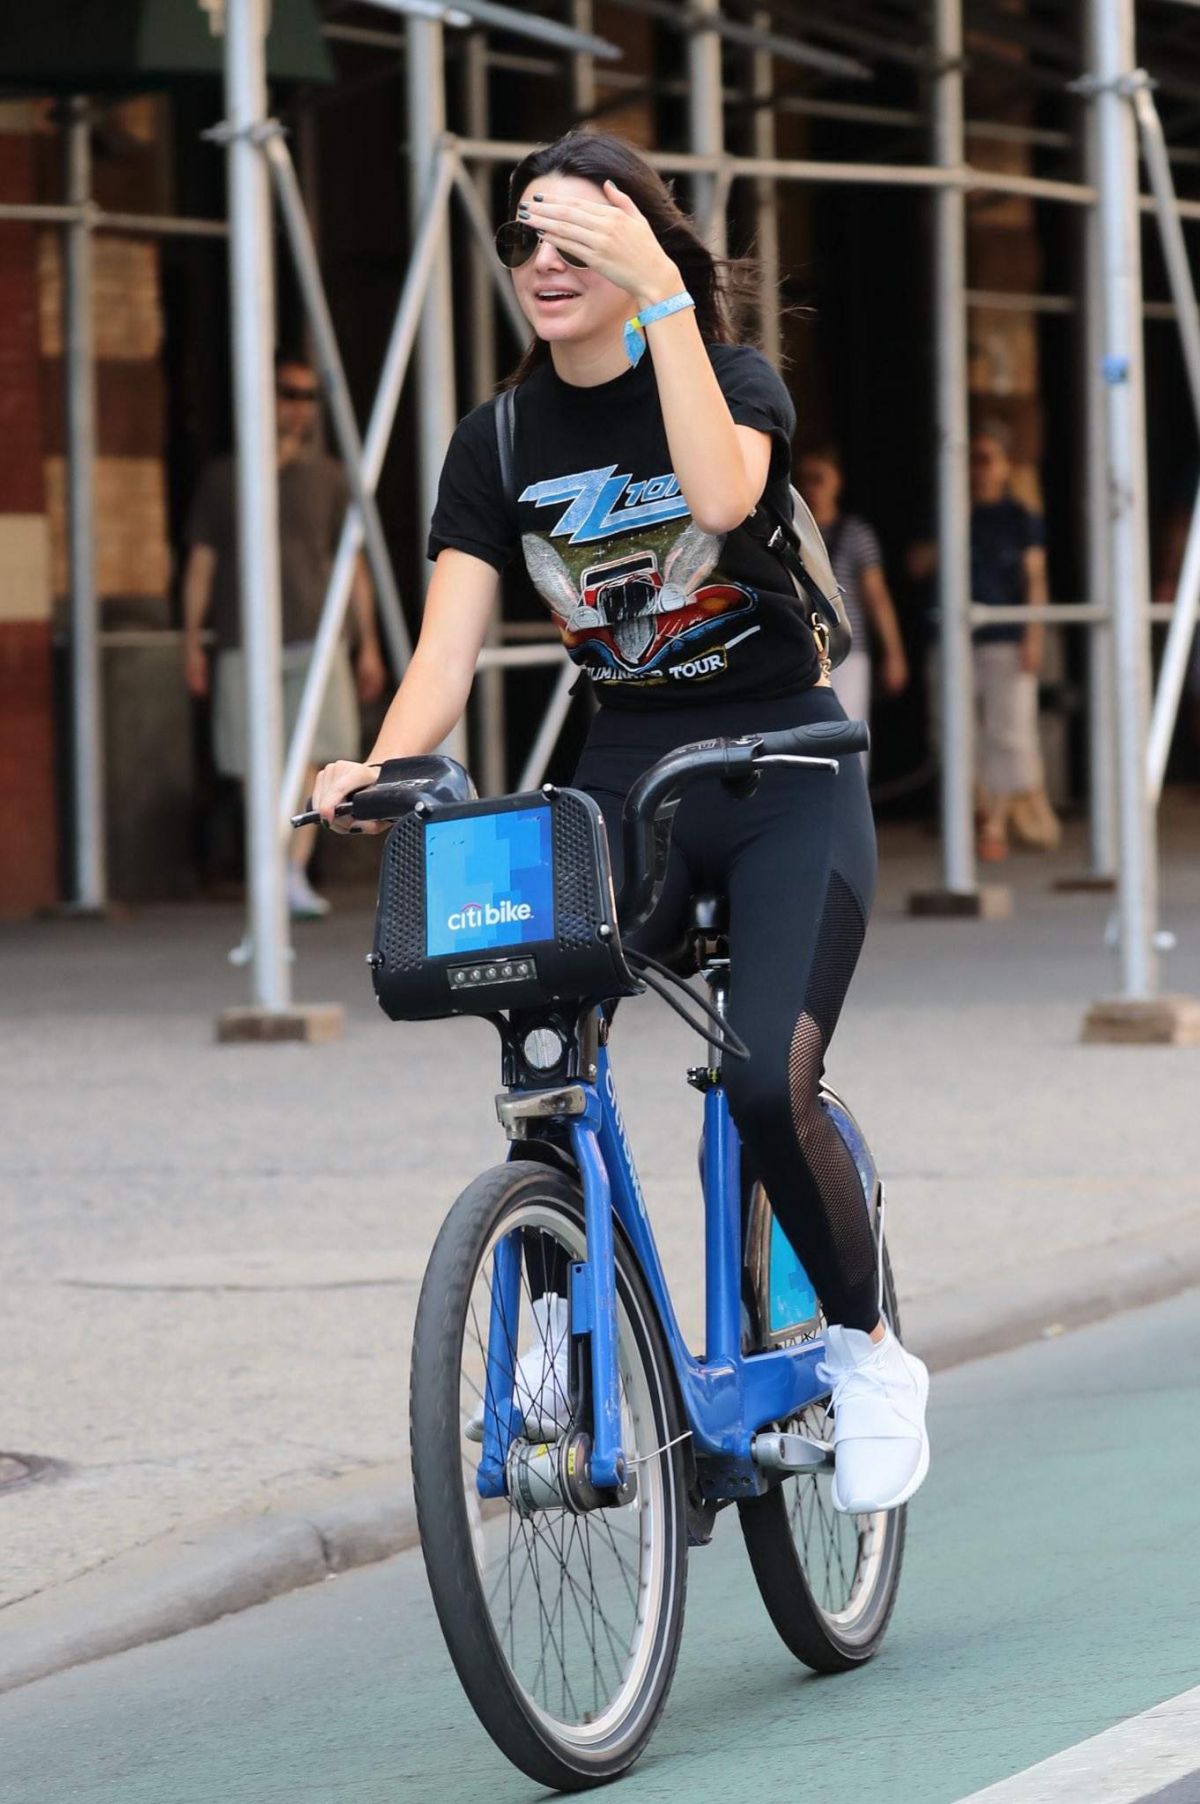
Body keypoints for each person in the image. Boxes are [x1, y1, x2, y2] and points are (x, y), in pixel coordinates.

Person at [313, 131, 929, 1515]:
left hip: (789, 769)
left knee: (771, 1079)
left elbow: (722, 499)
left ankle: (871, 1351)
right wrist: (375, 762)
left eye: (573, 238)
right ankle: (551, 1328)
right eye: (525, 240)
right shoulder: (503, 442)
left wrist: (662, 297)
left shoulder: (734, 386)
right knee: (543, 1043)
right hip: (625, 778)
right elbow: (442, 655)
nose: (542, 262)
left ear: (638, 252)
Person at [182, 354, 386, 917]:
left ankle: (290, 872)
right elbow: (201, 562)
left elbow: (353, 565)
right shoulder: (227, 475)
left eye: (307, 397)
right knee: (255, 762)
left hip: (317, 642)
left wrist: (368, 642)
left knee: (317, 760)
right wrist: (190, 640)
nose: (298, 407)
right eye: (287, 394)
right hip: (244, 641)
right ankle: (272, 869)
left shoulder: (329, 476)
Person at [968, 425, 1058, 861]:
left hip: (1005, 632)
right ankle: (981, 811)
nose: (979, 470)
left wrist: (1033, 634)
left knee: (1007, 730)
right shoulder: (953, 511)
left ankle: (997, 821)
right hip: (959, 635)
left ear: (1004, 466)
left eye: (987, 459)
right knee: (955, 730)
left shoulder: (1020, 517)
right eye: (974, 459)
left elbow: (1034, 578)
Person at [796, 444, 908, 750]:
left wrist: (894, 652)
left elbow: (877, 597)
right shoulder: (790, 532)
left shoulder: (856, 533)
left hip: (849, 648)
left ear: (837, 481)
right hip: (802, 649)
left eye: (819, 478)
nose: (811, 487)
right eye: (805, 479)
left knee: (849, 731)